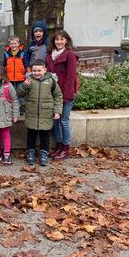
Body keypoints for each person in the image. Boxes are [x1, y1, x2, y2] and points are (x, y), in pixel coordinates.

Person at [18, 60, 63, 166]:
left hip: (46, 114)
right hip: (32, 113)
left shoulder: (51, 82)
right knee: (31, 136)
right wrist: (24, 86)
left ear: (45, 70)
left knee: (45, 136)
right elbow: (19, 94)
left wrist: (57, 111)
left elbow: (58, 96)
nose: (37, 73)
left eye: (39, 70)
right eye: (34, 71)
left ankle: (44, 153)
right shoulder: (29, 81)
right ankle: (30, 152)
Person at [45, 30, 78, 160]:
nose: (59, 42)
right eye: (57, 39)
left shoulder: (70, 55)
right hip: (53, 93)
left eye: (62, 39)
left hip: (66, 94)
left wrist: (65, 96)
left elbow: (71, 78)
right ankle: (59, 146)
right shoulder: (49, 55)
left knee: (64, 120)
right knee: (55, 121)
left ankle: (66, 148)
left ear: (66, 41)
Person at [4, 36, 27, 114]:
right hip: (9, 78)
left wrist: (26, 74)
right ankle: (12, 108)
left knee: (20, 93)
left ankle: (21, 108)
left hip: (20, 78)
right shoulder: (6, 54)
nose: (13, 45)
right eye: (11, 44)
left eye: (15, 43)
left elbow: (26, 65)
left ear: (18, 44)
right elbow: (4, 65)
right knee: (11, 94)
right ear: (9, 45)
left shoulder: (22, 53)